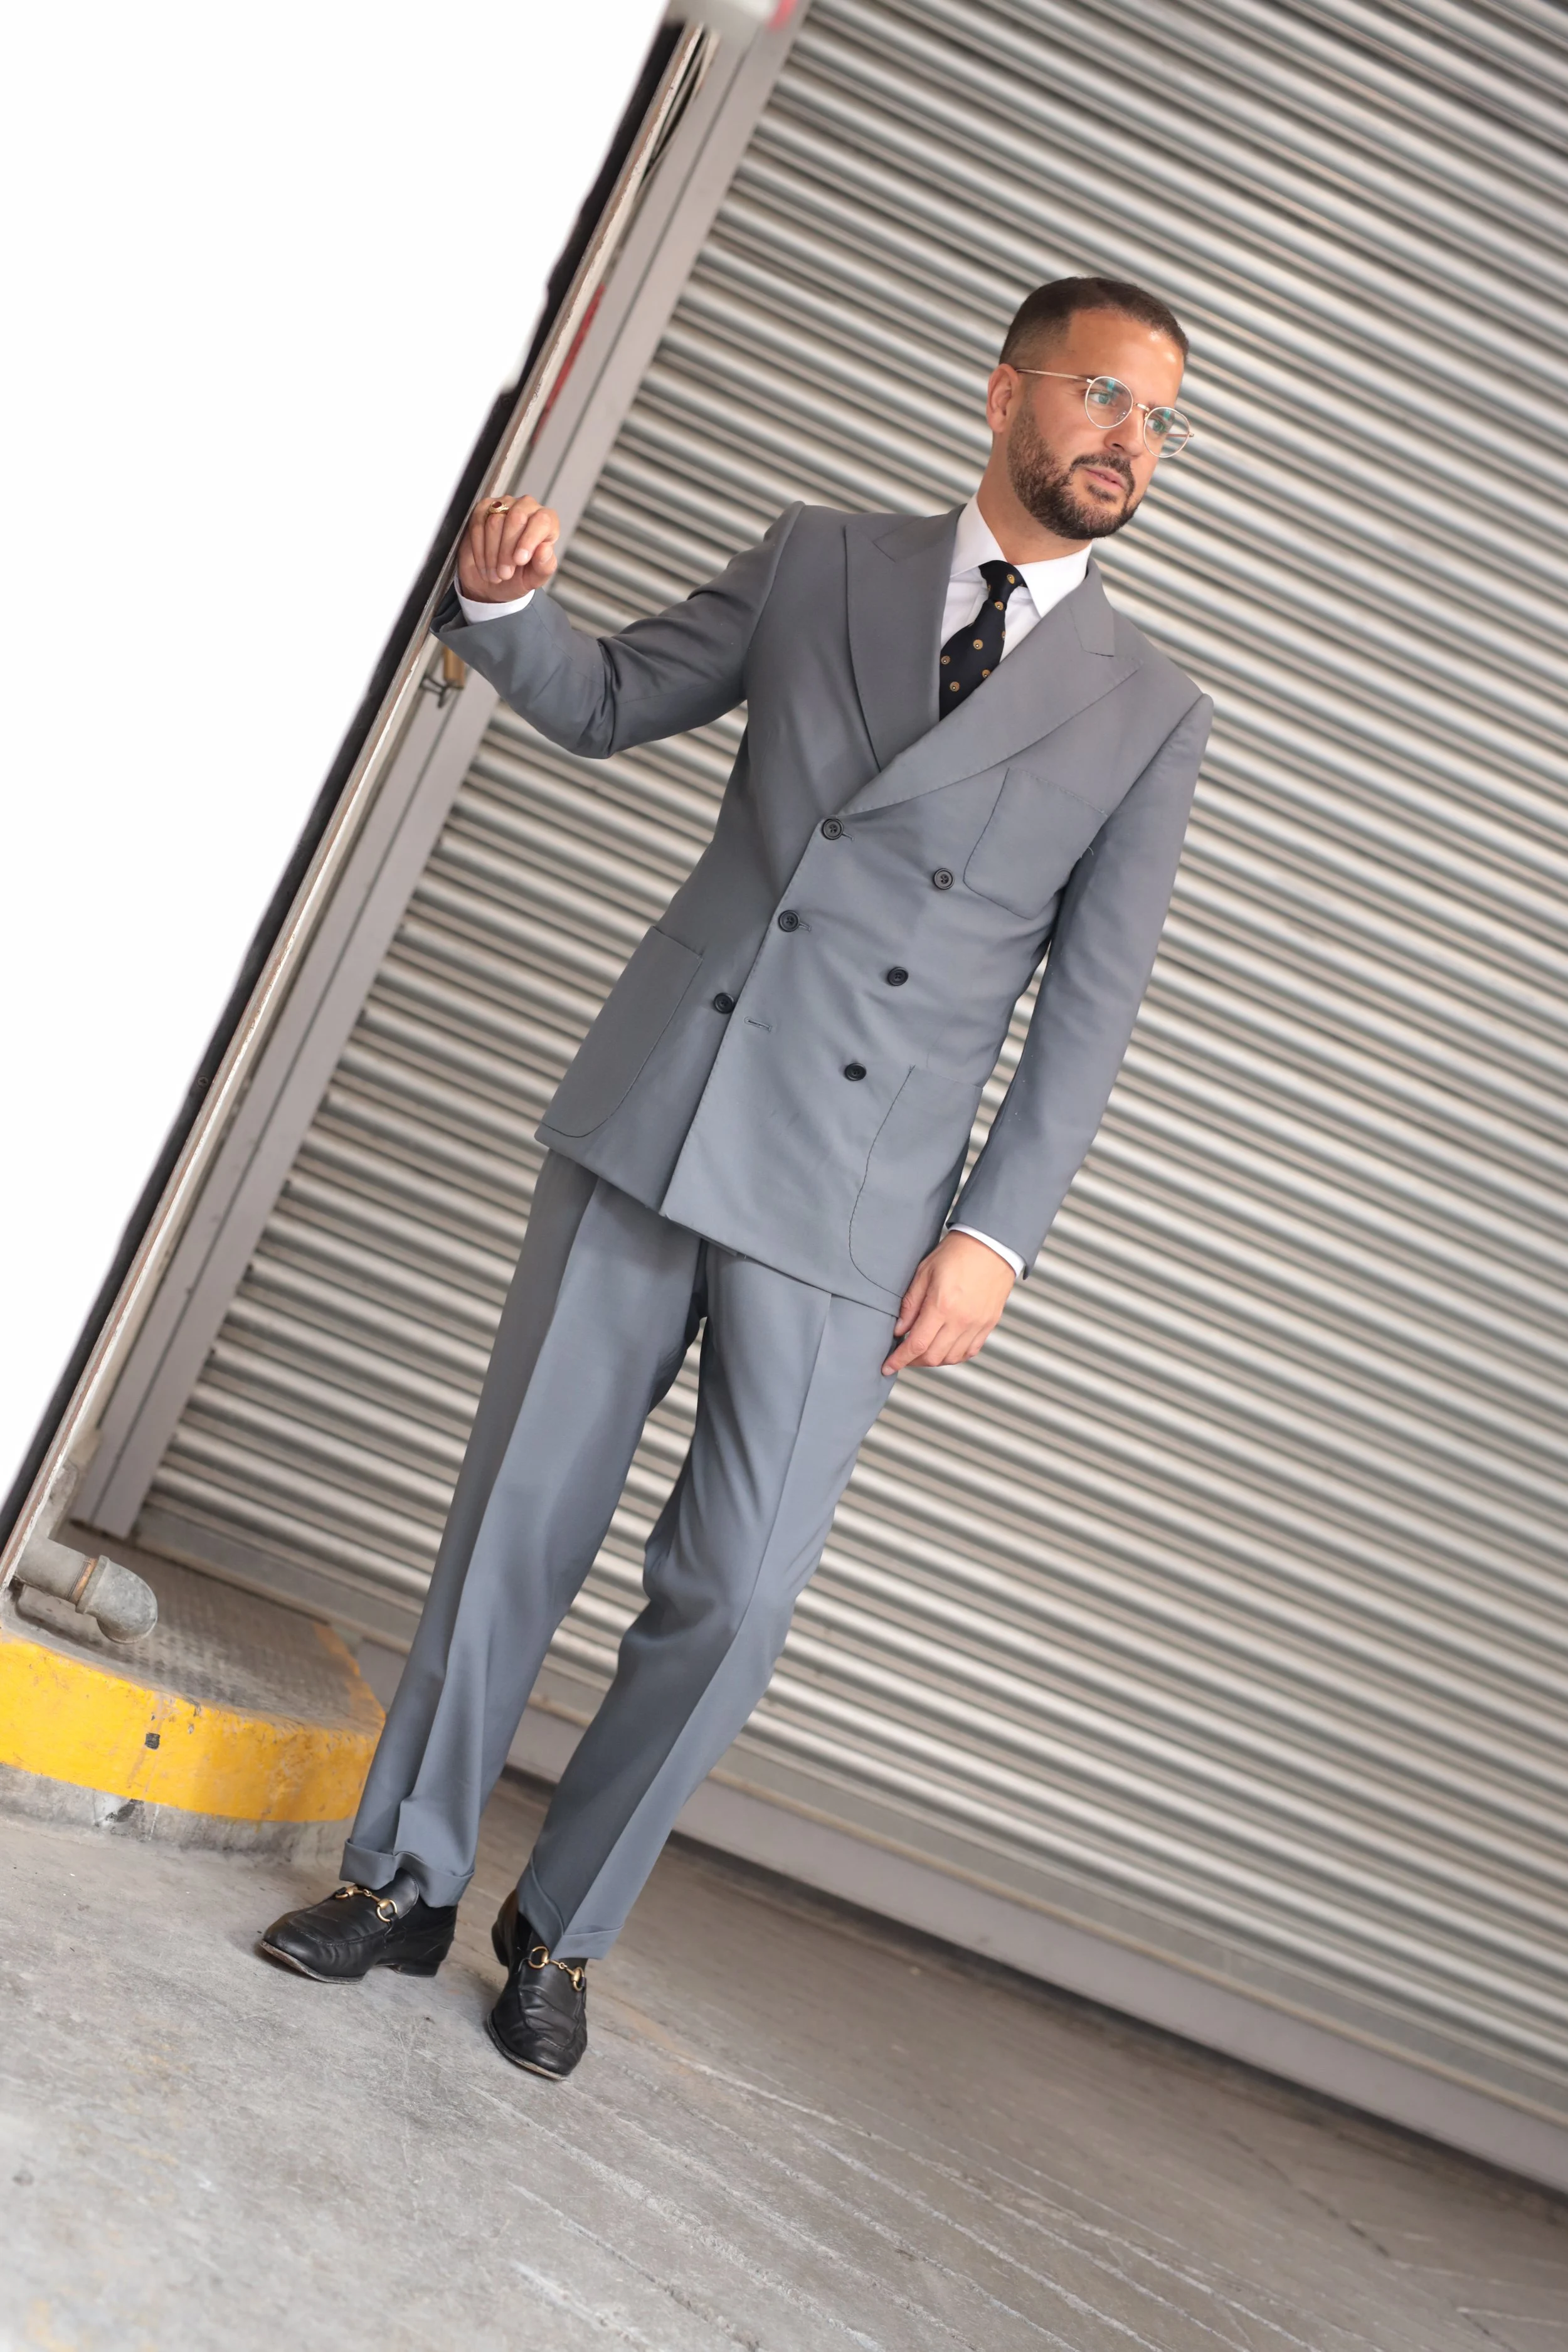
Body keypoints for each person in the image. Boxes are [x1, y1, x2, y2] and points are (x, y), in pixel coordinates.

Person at [260, 274, 1213, 2081]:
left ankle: (563, 1926)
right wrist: (504, 602)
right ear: (1005, 390)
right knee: (514, 1528)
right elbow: (611, 699)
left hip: (857, 1205)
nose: (1128, 441)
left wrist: (995, 1235)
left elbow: (1086, 1011)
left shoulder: (1146, 710)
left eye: (1159, 419)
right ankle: (400, 1884)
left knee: (737, 1591)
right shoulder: (820, 558)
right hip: (664, 1109)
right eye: (1101, 396)